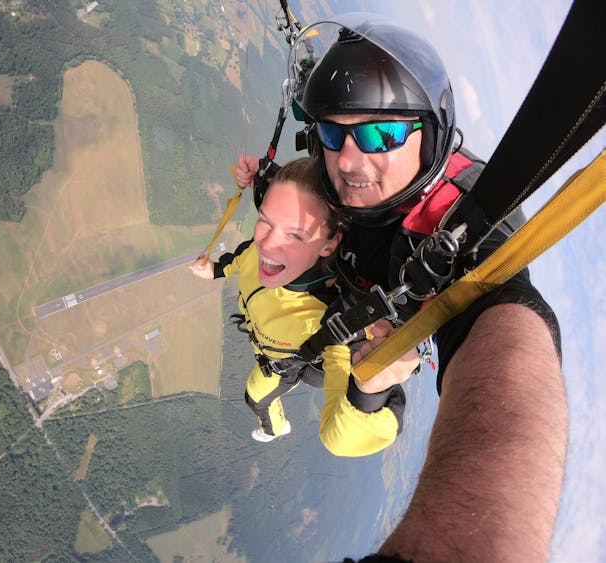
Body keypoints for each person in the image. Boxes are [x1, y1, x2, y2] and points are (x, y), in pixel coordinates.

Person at [235, 14, 566, 562]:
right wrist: (264, 187)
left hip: (344, 349)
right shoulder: (332, 163)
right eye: (333, 131)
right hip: (303, 311)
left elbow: (508, 336)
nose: (347, 157)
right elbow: (305, 178)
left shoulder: (461, 223)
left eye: (378, 133)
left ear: (430, 132)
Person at [191, 156, 406, 454]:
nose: (268, 244)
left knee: (255, 399)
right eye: (265, 220)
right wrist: (214, 270)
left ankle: (275, 428)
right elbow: (238, 258)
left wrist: (371, 393)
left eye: (295, 234)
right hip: (279, 350)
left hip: (291, 365)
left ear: (329, 245)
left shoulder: (331, 314)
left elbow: (347, 436)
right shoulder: (255, 250)